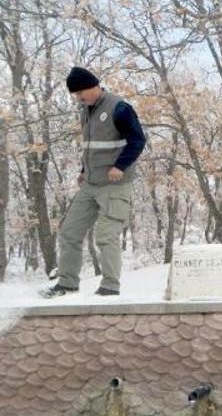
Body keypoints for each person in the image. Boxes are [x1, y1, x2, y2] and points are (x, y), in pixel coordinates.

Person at [42, 67, 147, 298]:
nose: (79, 98)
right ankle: (67, 284)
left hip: (114, 184)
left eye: (81, 93)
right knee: (69, 232)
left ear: (93, 85)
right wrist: (83, 170)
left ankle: (110, 287)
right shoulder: (86, 111)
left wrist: (120, 166)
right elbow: (93, 147)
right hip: (90, 183)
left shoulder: (119, 108)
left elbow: (138, 140)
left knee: (105, 236)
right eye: (76, 95)